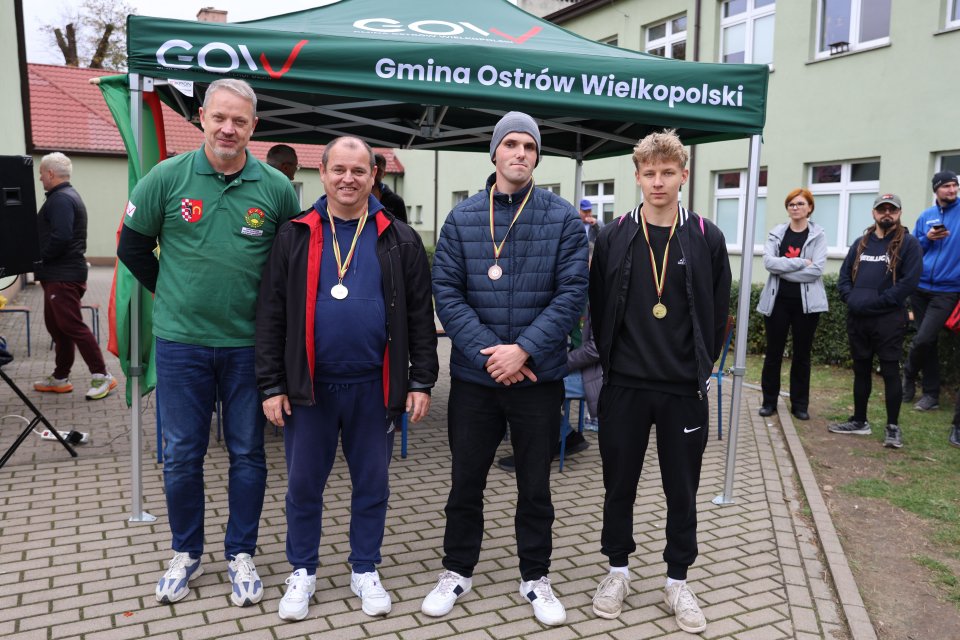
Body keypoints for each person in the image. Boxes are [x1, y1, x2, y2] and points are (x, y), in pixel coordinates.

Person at [117, 78, 301, 607]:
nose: (228, 129)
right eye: (219, 117)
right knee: (181, 455)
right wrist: (172, 291)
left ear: (253, 127)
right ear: (201, 117)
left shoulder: (276, 188)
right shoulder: (166, 177)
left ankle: (240, 552)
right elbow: (131, 248)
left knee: (248, 453)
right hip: (182, 344)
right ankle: (185, 551)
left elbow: (290, 266)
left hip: (249, 347)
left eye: (239, 121)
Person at [255, 136, 438, 621]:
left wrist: (421, 380)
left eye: (359, 170)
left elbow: (419, 317)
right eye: (339, 169)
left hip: (373, 388)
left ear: (374, 175)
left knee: (372, 485)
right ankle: (302, 570)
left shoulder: (399, 238)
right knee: (303, 487)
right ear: (322, 172)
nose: (348, 179)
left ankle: (365, 567)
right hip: (309, 388)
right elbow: (271, 314)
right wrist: (271, 385)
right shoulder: (294, 234)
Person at [423, 111, 588, 627]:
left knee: (535, 485)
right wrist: (493, 353)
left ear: (537, 156)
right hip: (477, 379)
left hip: (537, 378)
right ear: (494, 152)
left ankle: (535, 577)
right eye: (511, 144)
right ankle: (457, 570)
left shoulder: (562, 218)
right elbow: (446, 293)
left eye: (529, 146)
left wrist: (524, 351)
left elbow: (571, 294)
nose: (520, 153)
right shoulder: (463, 218)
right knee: (465, 482)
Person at [588, 129, 731, 634]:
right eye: (649, 173)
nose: (658, 182)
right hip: (625, 385)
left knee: (682, 489)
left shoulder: (707, 236)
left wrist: (701, 367)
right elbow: (598, 305)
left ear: (683, 176)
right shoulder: (613, 235)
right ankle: (617, 572)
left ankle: (677, 581)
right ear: (637, 176)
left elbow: (718, 310)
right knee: (618, 485)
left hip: (682, 388)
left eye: (667, 173)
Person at [830, 194, 922, 447]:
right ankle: (860, 421)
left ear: (899, 213)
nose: (887, 213)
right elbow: (844, 278)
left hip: (888, 320)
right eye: (882, 209)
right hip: (858, 319)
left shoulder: (909, 244)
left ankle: (892, 427)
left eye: (892, 209)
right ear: (874, 213)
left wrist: (876, 303)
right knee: (861, 370)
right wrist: (851, 299)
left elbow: (908, 283)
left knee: (890, 372)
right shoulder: (861, 243)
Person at [33, 152, 117, 400]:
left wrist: (39, 259)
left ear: (50, 174)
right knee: (58, 327)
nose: (40, 178)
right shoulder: (64, 197)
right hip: (58, 274)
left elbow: (62, 236)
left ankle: (102, 376)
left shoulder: (61, 199)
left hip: (63, 275)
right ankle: (60, 377)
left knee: (72, 326)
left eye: (41, 174)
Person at [756, 188, 828, 420]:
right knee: (773, 354)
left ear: (810, 208)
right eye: (791, 204)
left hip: (806, 306)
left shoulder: (818, 235)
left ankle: (800, 405)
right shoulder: (777, 233)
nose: (795, 208)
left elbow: (816, 270)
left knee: (802, 356)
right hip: (777, 302)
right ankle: (769, 402)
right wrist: (800, 263)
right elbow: (769, 263)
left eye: (800, 204)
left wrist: (783, 269)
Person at [903, 170, 960, 412]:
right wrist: (927, 238)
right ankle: (931, 394)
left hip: (947, 290)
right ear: (936, 189)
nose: (952, 190)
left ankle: (908, 375)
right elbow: (913, 250)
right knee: (928, 341)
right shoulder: (926, 216)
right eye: (946, 186)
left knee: (923, 338)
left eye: (955, 185)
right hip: (920, 287)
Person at [373, 153, 408, 223]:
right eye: (372, 170)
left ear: (384, 174)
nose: (375, 173)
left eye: (378, 170)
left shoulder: (396, 202)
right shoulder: (359, 198)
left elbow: (403, 228)